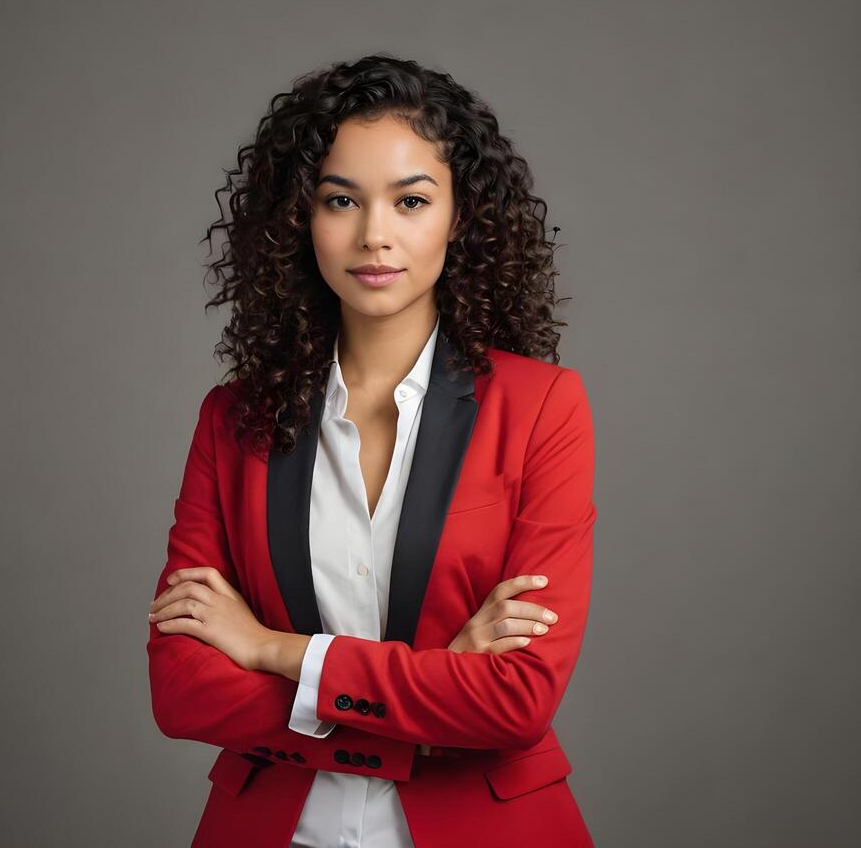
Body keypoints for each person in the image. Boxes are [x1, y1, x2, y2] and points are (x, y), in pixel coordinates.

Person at [147, 54, 596, 847]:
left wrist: (269, 649)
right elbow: (183, 690)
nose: (374, 235)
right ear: (301, 218)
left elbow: (517, 700)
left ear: (459, 217)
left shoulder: (542, 408)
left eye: (411, 200)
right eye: (340, 200)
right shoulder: (232, 420)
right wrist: (429, 692)